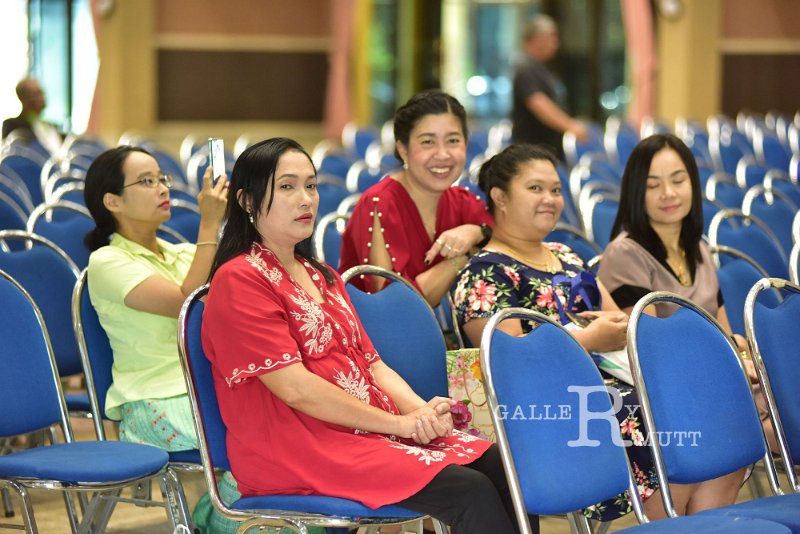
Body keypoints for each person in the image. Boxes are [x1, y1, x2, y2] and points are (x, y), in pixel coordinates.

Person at [202, 137, 536, 534]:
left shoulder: (322, 276)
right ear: (246, 200)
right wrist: (398, 425)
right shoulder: (240, 279)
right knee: (470, 491)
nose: (306, 199)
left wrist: (420, 413)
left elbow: (372, 365)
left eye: (311, 185)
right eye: (287, 187)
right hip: (297, 447)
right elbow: (296, 389)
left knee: (506, 467)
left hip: (366, 432)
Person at [451, 143, 746, 521]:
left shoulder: (565, 255)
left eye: (556, 190)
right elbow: (508, 363)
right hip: (549, 405)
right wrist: (588, 339)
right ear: (500, 197)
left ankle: (698, 525)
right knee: (661, 411)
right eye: (535, 188)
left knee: (709, 402)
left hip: (610, 384)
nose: (550, 199)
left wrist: (612, 331)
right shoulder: (484, 273)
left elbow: (621, 323)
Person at [83, 146, 234, 530]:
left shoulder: (183, 254)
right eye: (146, 181)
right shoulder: (107, 262)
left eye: (161, 179)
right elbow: (187, 303)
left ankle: (215, 518)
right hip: (151, 403)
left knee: (286, 423)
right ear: (113, 201)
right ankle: (217, 522)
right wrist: (209, 223)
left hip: (206, 389)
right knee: (258, 435)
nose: (162, 188)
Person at [597, 132, 777, 452]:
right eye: (653, 185)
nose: (668, 193)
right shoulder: (625, 254)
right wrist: (730, 360)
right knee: (777, 420)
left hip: (714, 377)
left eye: (678, 180)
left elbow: (723, 331)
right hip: (673, 392)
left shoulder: (698, 247)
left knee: (783, 392)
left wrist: (739, 355)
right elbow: (652, 350)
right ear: (636, 192)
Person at [339, 90, 493, 307]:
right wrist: (461, 258)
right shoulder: (379, 204)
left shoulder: (461, 200)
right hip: (379, 328)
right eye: (428, 142)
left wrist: (477, 232)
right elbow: (393, 304)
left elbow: (512, 241)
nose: (442, 154)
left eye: (453, 140)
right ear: (403, 149)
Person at [511, 15, 588, 160]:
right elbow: (538, 103)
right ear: (537, 40)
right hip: (532, 151)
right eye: (552, 38)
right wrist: (570, 125)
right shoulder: (525, 68)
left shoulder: (542, 68)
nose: (556, 44)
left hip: (549, 148)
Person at [2, 78, 63, 154]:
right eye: (36, 93)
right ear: (23, 98)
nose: (42, 97)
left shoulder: (50, 126)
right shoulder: (12, 125)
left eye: (42, 92)